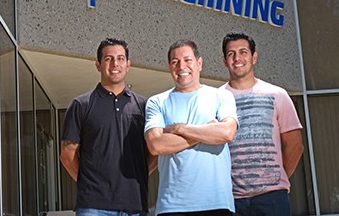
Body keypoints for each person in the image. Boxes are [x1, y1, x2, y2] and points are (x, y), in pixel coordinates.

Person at [60, 38, 157, 216]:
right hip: (93, 207)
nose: (115, 64)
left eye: (120, 58)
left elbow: (155, 151)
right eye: (108, 59)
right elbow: (67, 155)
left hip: (135, 205)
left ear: (128, 65)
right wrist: (89, 185)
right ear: (98, 65)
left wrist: (138, 176)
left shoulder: (145, 106)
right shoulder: (81, 104)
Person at [145, 39, 238, 216]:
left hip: (217, 203)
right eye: (175, 62)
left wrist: (179, 128)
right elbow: (156, 145)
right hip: (172, 206)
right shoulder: (157, 101)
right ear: (169, 67)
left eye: (187, 60)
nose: (181, 66)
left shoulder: (221, 96)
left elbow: (226, 133)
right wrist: (208, 132)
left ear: (199, 63)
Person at [221, 32, 304, 216]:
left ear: (254, 57)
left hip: (272, 199)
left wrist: (276, 180)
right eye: (231, 54)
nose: (237, 58)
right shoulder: (215, 98)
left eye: (243, 52)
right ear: (225, 61)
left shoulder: (277, 94)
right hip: (231, 200)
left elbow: (295, 145)